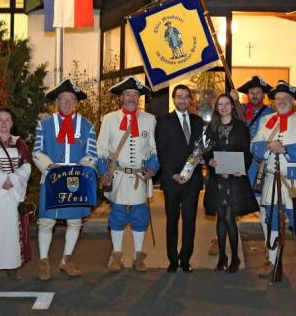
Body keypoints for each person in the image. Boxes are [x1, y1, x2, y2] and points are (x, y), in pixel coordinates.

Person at [252, 81, 296, 281]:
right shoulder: (267, 120)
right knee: (271, 220)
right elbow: (254, 146)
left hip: (295, 182)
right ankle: (271, 261)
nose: (281, 102)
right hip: (273, 180)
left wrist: (286, 149)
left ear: (293, 101)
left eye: (285, 99)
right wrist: (267, 145)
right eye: (278, 99)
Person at [32, 80, 98, 280]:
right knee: (46, 221)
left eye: (71, 99)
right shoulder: (44, 124)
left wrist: (81, 166)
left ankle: (66, 259)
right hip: (51, 178)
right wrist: (49, 166)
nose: (67, 103)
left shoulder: (87, 126)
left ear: (76, 102)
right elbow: (36, 152)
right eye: (63, 99)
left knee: (75, 221)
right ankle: (43, 261)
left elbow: (92, 154)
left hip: (76, 181)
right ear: (57, 102)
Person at [96, 76, 160, 273]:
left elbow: (155, 149)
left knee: (140, 215)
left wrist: (152, 168)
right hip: (118, 176)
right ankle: (117, 255)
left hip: (140, 177)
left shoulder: (150, 119)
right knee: (117, 215)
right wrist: (103, 171)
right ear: (121, 98)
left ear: (139, 98)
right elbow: (101, 150)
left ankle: (138, 256)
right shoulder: (109, 119)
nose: (131, 97)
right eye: (128, 94)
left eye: (135, 94)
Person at [204, 94, 258, 273]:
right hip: (217, 178)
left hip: (235, 178)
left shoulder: (241, 127)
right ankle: (222, 257)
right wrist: (210, 161)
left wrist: (240, 168)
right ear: (217, 107)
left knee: (228, 216)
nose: (224, 107)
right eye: (220, 104)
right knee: (221, 217)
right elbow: (206, 151)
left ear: (233, 106)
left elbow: (247, 152)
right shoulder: (211, 128)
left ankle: (234, 257)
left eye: (227, 104)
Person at [155, 84, 204, 273]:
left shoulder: (198, 121)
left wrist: (203, 158)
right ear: (173, 99)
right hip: (171, 179)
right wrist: (173, 174)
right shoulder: (163, 121)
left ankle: (185, 260)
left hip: (192, 180)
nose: (182, 100)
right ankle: (172, 260)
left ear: (190, 99)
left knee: (190, 221)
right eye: (179, 96)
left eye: (186, 96)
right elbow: (161, 151)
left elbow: (200, 147)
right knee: (172, 221)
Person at [0, 108, 32, 278]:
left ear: (12, 123)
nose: (3, 123)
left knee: (12, 231)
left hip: (13, 194)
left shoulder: (20, 143)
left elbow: (26, 166)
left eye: (7, 120)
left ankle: (13, 264)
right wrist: (3, 181)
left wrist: (13, 180)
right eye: (0, 120)